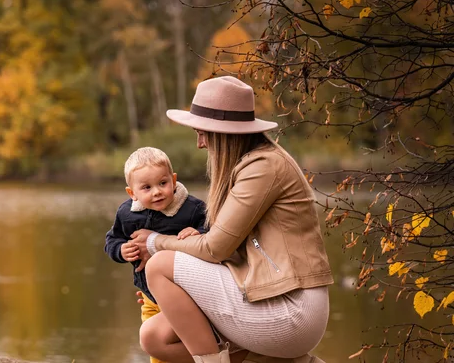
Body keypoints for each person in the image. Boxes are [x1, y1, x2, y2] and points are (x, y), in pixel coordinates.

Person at [129, 76, 333, 363]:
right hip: (264, 292)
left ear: (222, 132)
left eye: (202, 133)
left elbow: (215, 249)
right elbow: (225, 246)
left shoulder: (264, 167)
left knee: (161, 264)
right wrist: (170, 295)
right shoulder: (250, 164)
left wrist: (155, 241)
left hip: (292, 308)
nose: (200, 143)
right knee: (154, 336)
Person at [104, 147, 208, 363]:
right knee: (158, 352)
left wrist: (199, 232)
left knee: (190, 341)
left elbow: (215, 235)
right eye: (146, 187)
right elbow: (112, 240)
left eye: (163, 183)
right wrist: (121, 250)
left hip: (188, 296)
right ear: (132, 193)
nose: (157, 192)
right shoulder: (126, 214)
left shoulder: (193, 209)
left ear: (174, 180)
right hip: (151, 298)